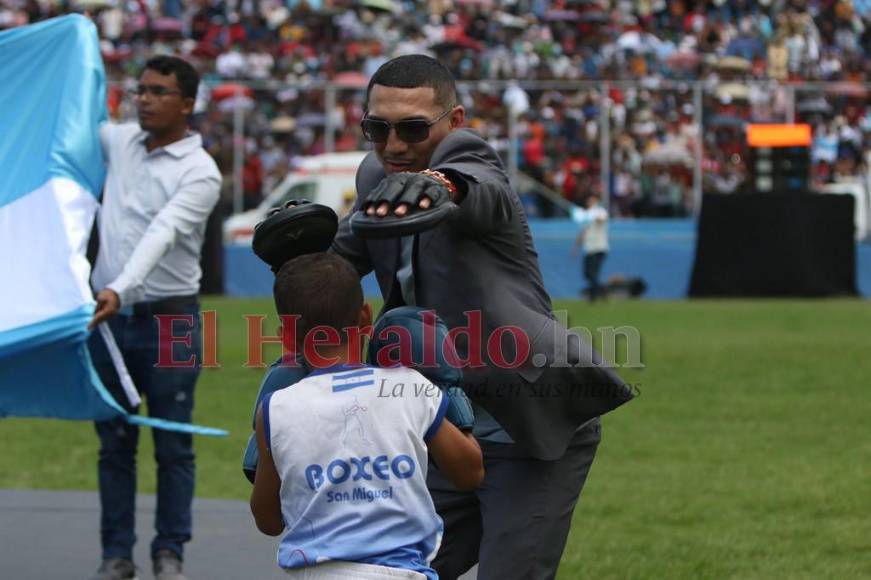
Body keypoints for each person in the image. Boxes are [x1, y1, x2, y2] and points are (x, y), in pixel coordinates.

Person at [330, 54, 632, 580]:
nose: (395, 144)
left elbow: (480, 190)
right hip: (442, 430)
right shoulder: (376, 173)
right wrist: (302, 249)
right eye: (377, 128)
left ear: (454, 123)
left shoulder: (468, 162)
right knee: (381, 573)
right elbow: (342, 257)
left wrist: (443, 187)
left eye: (413, 128)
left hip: (526, 427)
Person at [250, 252, 484, 580]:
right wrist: (451, 392)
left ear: (286, 335)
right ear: (365, 317)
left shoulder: (275, 409)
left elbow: (268, 520)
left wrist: (268, 442)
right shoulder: (409, 388)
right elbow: (470, 472)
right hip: (401, 572)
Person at [87, 55, 222, 580]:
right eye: (139, 89)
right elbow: (68, 119)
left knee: (173, 442)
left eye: (157, 91)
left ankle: (170, 553)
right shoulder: (120, 142)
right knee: (114, 443)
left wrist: (117, 287)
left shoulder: (200, 171)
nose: (142, 98)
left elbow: (161, 233)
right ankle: (116, 555)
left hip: (172, 321)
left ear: (186, 104)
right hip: (111, 322)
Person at [572, 193, 610, 301]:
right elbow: (582, 233)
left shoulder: (600, 212)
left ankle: (593, 297)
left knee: (593, 274)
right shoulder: (586, 215)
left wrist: (592, 216)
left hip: (599, 247)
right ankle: (602, 290)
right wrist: (575, 248)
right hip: (589, 248)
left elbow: (601, 219)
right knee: (587, 274)